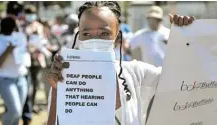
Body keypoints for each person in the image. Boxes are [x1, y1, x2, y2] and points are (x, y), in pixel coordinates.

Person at [46, 1, 195, 125]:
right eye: (86, 33)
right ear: (78, 36)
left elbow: (183, 79)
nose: (94, 40)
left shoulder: (137, 73)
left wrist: (188, 38)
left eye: (104, 33)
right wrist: (57, 91)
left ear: (117, 35)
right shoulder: (65, 77)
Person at [0, 17, 28, 125]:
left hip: (21, 78)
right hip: (5, 79)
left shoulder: (19, 38)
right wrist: (7, 51)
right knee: (14, 111)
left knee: (18, 113)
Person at [24, 4, 52, 114]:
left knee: (35, 83)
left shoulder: (39, 26)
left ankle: (33, 104)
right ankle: (27, 105)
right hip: (26, 59)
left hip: (38, 59)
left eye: (31, 14)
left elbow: (44, 41)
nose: (30, 16)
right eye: (28, 14)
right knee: (27, 83)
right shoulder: (22, 26)